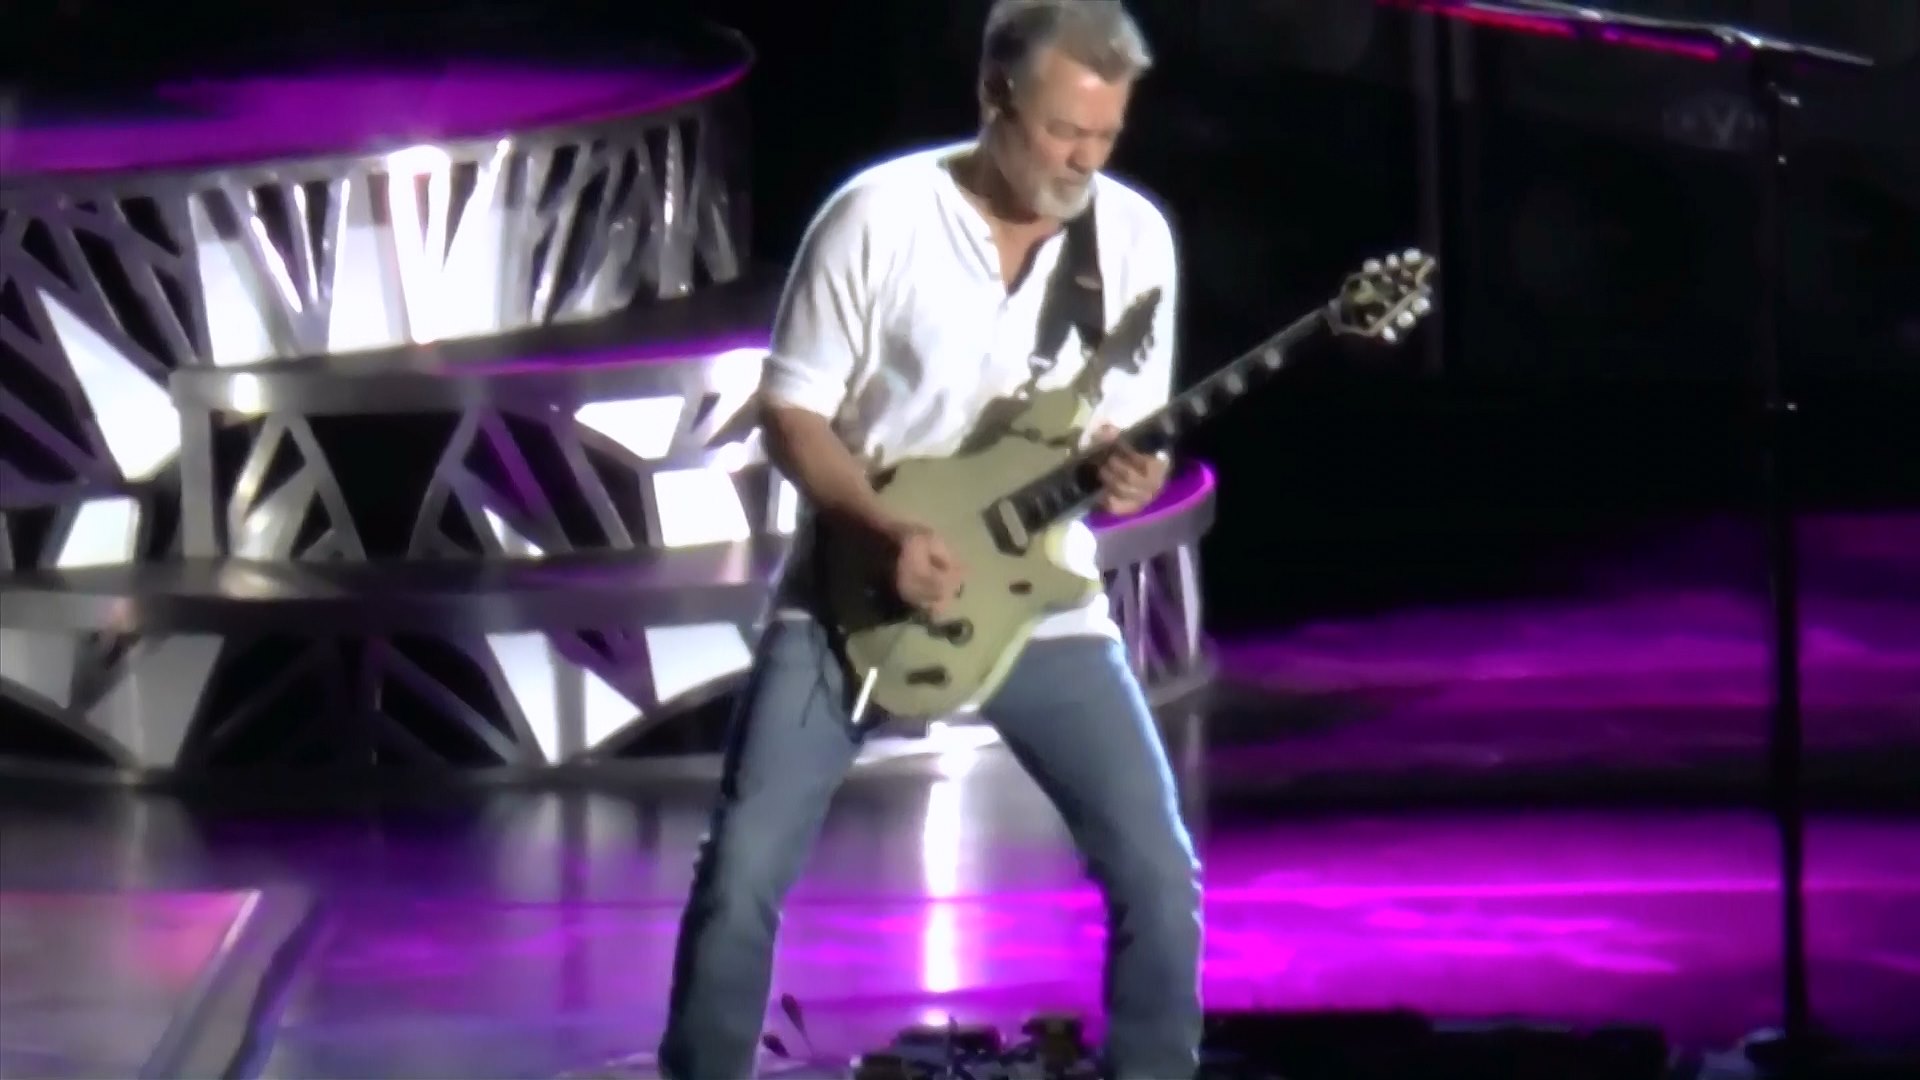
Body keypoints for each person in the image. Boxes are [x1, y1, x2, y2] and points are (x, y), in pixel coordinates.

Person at [657, 2, 1201, 1076]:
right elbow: (792, 413)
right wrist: (879, 530)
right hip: (855, 594)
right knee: (744, 870)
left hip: (1040, 604)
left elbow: (1117, 437)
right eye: (1062, 132)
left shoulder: (1134, 240)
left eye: (1105, 136)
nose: (1084, 161)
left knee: (1157, 872)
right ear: (995, 97)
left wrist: (1130, 473)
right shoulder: (877, 217)